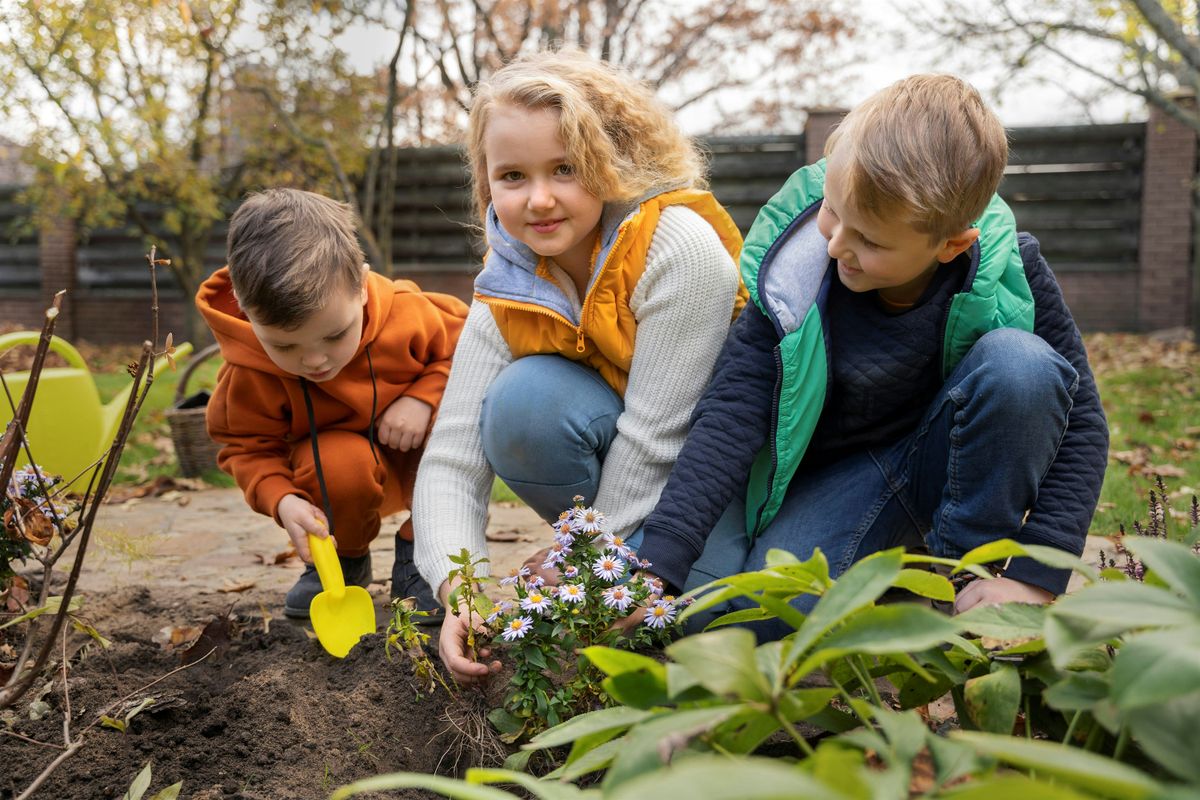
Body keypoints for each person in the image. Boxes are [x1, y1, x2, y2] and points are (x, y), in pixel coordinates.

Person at [636, 74, 1110, 640]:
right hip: (836, 483)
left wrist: (1037, 575)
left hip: (948, 467)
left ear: (950, 245)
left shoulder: (1012, 274)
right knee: (749, 622)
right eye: (832, 212)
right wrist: (659, 561)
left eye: (872, 242)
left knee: (1022, 366)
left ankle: (959, 579)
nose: (836, 246)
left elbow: (1082, 424)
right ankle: (886, 574)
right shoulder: (797, 272)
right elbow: (732, 412)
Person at [412, 49, 748, 682]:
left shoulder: (678, 248)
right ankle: (618, 579)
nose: (539, 200)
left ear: (607, 161)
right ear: (488, 183)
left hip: (712, 484)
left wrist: (580, 566)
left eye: (564, 169)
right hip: (623, 485)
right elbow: (453, 456)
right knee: (523, 405)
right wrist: (460, 589)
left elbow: (657, 442)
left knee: (715, 618)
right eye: (512, 176)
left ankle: (635, 579)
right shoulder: (507, 285)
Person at [197, 188, 468, 621]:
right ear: (247, 314)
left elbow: (473, 351)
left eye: (334, 335)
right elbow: (246, 446)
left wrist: (424, 396)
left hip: (418, 457)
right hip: (332, 478)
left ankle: (425, 554)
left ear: (360, 286)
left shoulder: (411, 315)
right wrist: (281, 499)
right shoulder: (249, 371)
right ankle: (342, 559)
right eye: (285, 345)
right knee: (338, 460)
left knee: (459, 426)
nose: (315, 360)